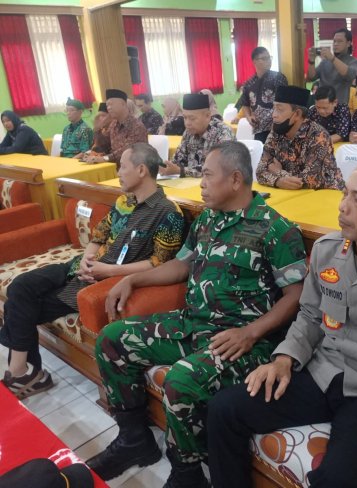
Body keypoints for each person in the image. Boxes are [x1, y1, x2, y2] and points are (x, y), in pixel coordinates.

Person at [85, 140, 308, 486]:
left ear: (235, 179)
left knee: (181, 381)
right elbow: (180, 266)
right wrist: (132, 279)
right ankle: (134, 441)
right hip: (194, 324)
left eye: (206, 175)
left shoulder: (275, 228)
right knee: (111, 340)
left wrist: (251, 333)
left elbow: (296, 296)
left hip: (242, 340)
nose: (200, 184)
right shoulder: (207, 219)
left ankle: (187, 474)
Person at [207, 154, 357, 488]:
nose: (343, 206)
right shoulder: (327, 251)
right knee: (224, 409)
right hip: (322, 373)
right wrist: (284, 359)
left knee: (336, 479)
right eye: (344, 193)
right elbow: (311, 315)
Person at [0, 143, 184, 399]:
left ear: (142, 170)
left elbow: (159, 263)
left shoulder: (168, 213)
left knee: (19, 307)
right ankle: (25, 374)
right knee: (20, 286)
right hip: (79, 266)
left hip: (98, 281)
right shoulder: (123, 201)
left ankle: (22, 373)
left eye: (122, 167)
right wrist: (88, 258)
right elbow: (99, 234)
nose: (118, 172)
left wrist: (106, 271)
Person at [256, 85, 344, 191]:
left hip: (325, 193)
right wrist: (278, 181)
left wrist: (277, 172)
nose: (274, 115)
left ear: (297, 114)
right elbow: (260, 171)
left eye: (279, 109)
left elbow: (309, 181)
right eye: (274, 108)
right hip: (290, 193)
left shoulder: (318, 135)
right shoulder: (276, 133)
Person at [159, 93, 236, 178]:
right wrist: (166, 167)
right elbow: (177, 160)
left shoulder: (223, 132)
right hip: (190, 183)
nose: (187, 123)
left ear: (207, 116)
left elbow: (218, 168)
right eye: (185, 118)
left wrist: (180, 170)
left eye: (192, 119)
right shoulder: (188, 132)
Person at [86, 89, 147, 169]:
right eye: (107, 105)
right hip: (115, 167)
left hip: (134, 169)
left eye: (111, 104)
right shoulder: (114, 124)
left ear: (122, 104)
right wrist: (97, 130)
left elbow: (128, 151)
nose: (108, 108)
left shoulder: (136, 126)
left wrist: (105, 158)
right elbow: (103, 145)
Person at [240, 46, 288, 144]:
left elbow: (284, 102)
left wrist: (277, 122)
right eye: (265, 58)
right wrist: (249, 118)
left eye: (269, 58)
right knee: (260, 152)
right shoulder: (248, 84)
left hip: (277, 127)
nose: (268, 61)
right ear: (255, 62)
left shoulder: (278, 78)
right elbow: (245, 104)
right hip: (259, 129)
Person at [307, 28, 357, 105]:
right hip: (322, 105)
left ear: (348, 43)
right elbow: (311, 77)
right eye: (334, 41)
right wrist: (311, 61)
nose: (335, 44)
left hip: (339, 106)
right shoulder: (325, 61)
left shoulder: (354, 61)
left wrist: (332, 58)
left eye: (339, 41)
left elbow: (350, 74)